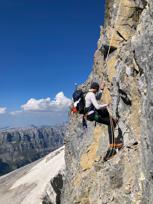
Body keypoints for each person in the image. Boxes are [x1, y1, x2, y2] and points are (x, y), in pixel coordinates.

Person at [85, 82, 123, 161]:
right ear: (95, 88)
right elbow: (98, 107)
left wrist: (101, 90)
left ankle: (113, 143)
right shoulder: (91, 95)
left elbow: (97, 98)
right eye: (97, 89)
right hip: (93, 115)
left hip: (91, 114)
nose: (97, 91)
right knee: (110, 122)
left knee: (108, 116)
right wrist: (107, 104)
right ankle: (112, 148)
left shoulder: (89, 94)